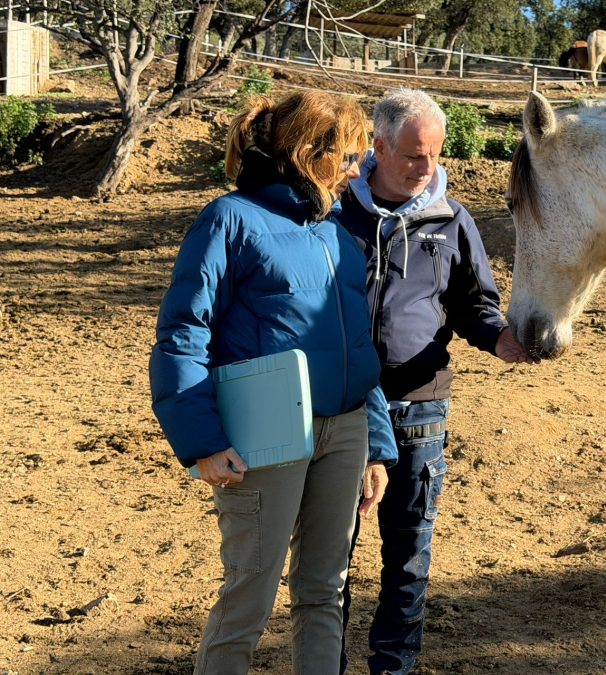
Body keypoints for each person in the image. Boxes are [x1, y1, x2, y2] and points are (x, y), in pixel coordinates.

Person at [148, 90, 397, 675]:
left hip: (346, 433)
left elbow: (358, 344)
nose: (361, 168)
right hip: (266, 436)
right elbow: (184, 332)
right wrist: (203, 442)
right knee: (249, 595)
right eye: (351, 155)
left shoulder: (337, 231)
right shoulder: (228, 219)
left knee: (325, 590)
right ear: (310, 153)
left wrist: (376, 444)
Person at [338, 88, 535, 675]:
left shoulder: (450, 219)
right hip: (340, 410)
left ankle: (392, 669)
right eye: (413, 157)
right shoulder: (333, 211)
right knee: (331, 560)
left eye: (434, 155)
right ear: (378, 147)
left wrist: (500, 338)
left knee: (409, 559)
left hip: (421, 407)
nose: (428, 169)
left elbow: (474, 301)